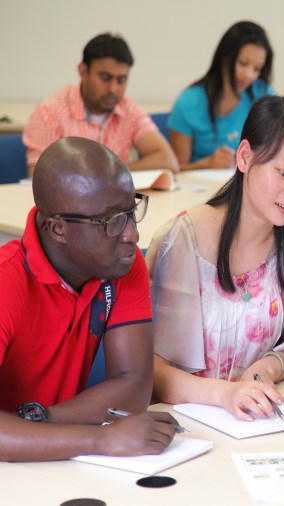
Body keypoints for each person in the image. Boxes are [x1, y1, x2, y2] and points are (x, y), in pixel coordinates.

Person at [146, 96, 284, 420]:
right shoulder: (183, 240)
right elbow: (152, 371)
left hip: (253, 419)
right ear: (244, 157)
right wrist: (224, 393)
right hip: (187, 422)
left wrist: (260, 374)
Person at [0, 137, 179, 462]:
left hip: (57, 456)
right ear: (57, 229)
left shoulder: (122, 263)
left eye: (131, 210)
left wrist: (39, 422)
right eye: (111, 222)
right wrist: (102, 438)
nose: (132, 235)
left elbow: (135, 385)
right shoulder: (6, 283)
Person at [23, 33, 179, 178]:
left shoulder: (127, 107)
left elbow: (168, 160)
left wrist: (112, 173)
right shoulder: (49, 112)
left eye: (121, 80)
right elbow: (39, 179)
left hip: (115, 205)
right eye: (105, 77)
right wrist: (112, 176)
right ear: (83, 71)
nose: (113, 89)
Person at [168, 21, 274, 170]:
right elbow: (176, 168)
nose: (249, 75)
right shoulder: (188, 103)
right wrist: (207, 163)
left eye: (257, 69)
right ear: (224, 57)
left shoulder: (263, 95)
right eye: (243, 63)